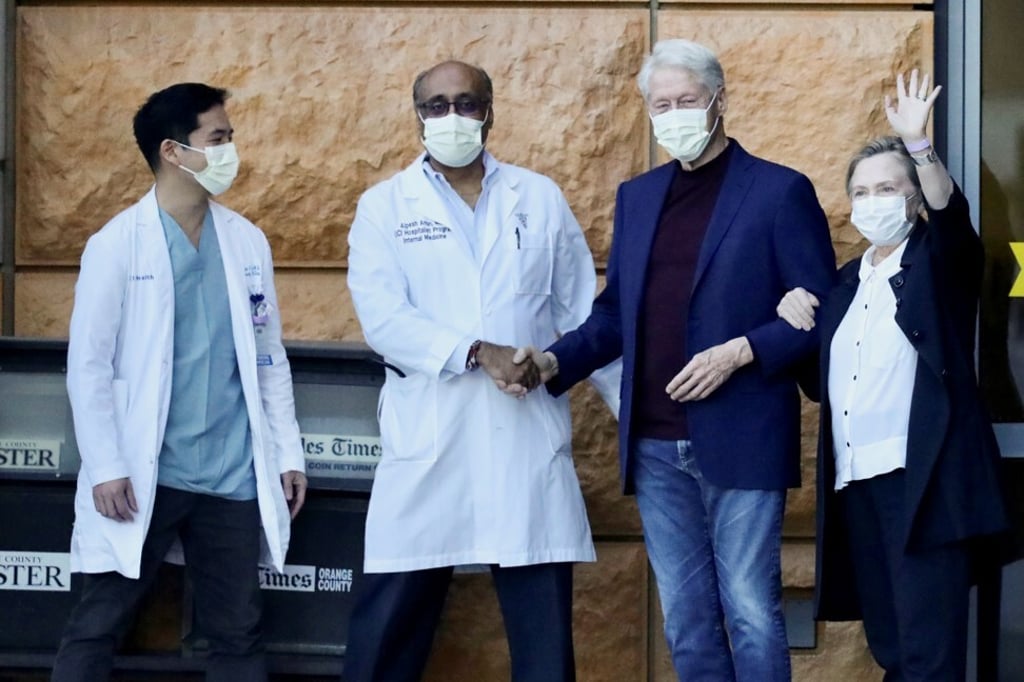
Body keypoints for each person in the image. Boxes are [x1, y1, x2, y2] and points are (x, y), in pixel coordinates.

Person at [515, 38, 836, 681]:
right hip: (656, 444)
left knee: (749, 611)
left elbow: (821, 313)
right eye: (661, 104)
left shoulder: (779, 192)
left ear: (720, 100)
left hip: (741, 435)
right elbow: (616, 313)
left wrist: (743, 350)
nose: (674, 115)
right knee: (686, 622)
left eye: (687, 100)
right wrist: (552, 363)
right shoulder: (638, 197)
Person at [343, 60, 616, 682]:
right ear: (417, 117)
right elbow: (383, 320)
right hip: (429, 440)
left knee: (544, 643)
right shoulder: (384, 206)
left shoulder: (538, 197)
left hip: (524, 442)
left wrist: (643, 424)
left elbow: (586, 320)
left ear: (490, 111)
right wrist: (475, 350)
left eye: (466, 103)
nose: (452, 117)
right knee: (386, 632)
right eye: (436, 106)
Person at [52, 83, 308, 682]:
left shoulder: (246, 242)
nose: (230, 150)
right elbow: (87, 366)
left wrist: (287, 450)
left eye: (230, 137)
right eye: (217, 139)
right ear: (173, 150)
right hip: (146, 472)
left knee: (238, 633)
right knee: (98, 624)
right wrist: (109, 463)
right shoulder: (115, 246)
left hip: (230, 474)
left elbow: (268, 357)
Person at [776, 70, 1008, 680]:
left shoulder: (937, 262)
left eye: (887, 187)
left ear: (912, 198)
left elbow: (953, 221)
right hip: (859, 483)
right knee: (892, 646)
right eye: (861, 191)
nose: (872, 201)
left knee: (929, 653)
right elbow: (821, 380)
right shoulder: (848, 282)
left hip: (924, 485)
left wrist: (920, 148)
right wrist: (794, 314)